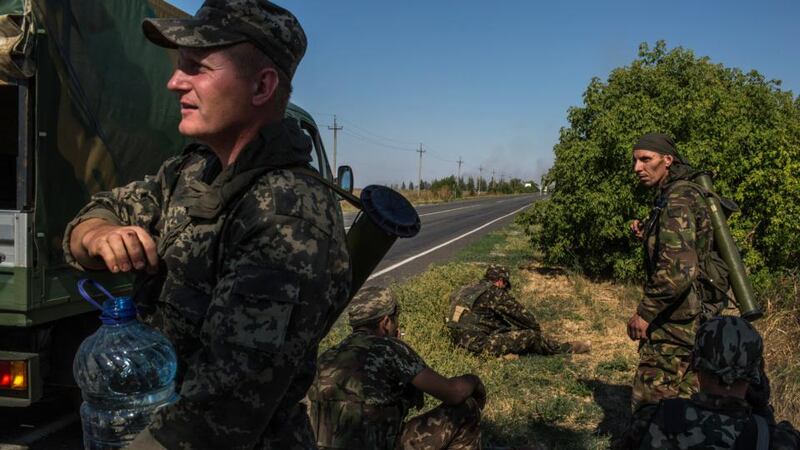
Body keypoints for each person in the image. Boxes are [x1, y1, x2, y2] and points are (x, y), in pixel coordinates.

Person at [62, 1, 351, 448]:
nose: (174, 82)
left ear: (261, 86)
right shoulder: (194, 171)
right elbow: (96, 215)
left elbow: (222, 410)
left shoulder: (288, 212)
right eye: (180, 67)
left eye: (197, 68)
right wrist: (99, 234)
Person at [307, 287, 484, 450]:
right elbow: (452, 393)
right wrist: (473, 381)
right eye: (395, 318)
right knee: (466, 408)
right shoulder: (390, 349)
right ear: (385, 322)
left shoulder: (328, 355)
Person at [627, 133, 725, 413]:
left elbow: (678, 269)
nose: (637, 168)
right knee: (685, 407)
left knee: (649, 405)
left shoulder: (678, 198)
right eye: (635, 160)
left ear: (667, 160)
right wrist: (647, 231)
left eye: (646, 160)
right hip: (695, 317)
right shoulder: (677, 192)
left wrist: (644, 313)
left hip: (676, 322)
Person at [619, 316, 800, 449]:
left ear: (693, 361)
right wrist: (762, 412)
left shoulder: (649, 420)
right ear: (758, 369)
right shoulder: (778, 440)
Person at [446, 264, 590, 356]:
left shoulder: (467, 288)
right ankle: (566, 349)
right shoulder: (494, 292)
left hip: (456, 340)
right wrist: (535, 330)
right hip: (477, 345)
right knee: (532, 336)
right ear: (501, 281)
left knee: (506, 330)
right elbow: (525, 318)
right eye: (505, 286)